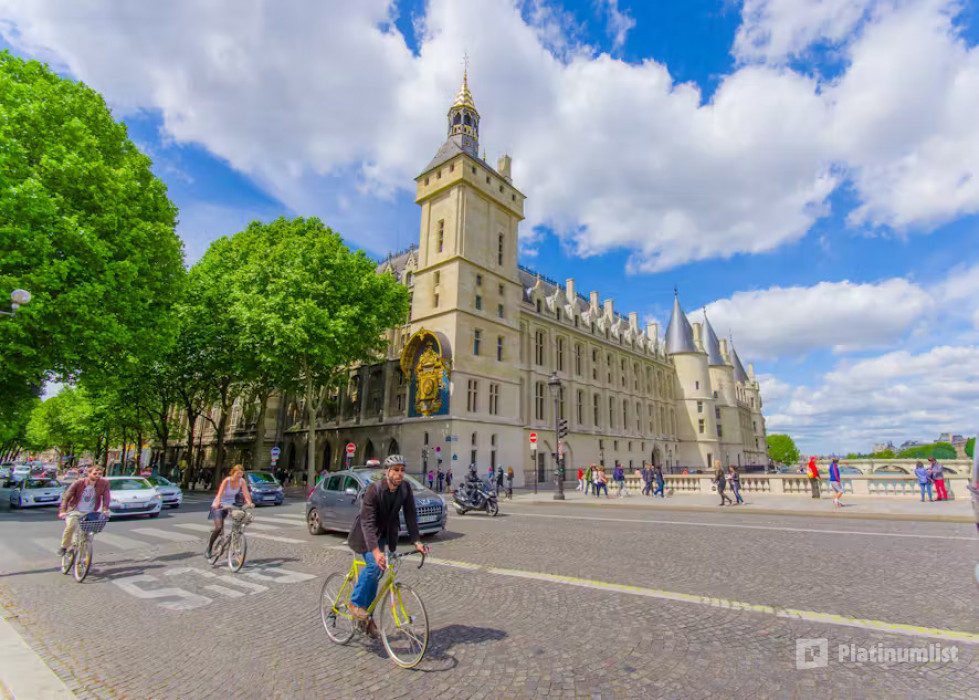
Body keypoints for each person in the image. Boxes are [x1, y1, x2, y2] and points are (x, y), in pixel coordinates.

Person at [347, 455, 428, 631]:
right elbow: (367, 523)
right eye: (396, 470)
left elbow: (411, 514)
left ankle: (367, 617)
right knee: (374, 567)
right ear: (387, 472)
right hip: (365, 535)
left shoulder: (405, 488)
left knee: (377, 573)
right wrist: (376, 552)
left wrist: (416, 541)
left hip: (385, 535)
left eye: (402, 470)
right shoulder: (373, 490)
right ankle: (355, 604)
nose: (400, 474)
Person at [58, 465, 111, 555]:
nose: (97, 475)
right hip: (75, 510)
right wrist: (63, 511)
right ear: (89, 473)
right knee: (71, 526)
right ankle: (64, 547)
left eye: (99, 474)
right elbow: (66, 497)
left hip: (91, 512)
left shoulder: (104, 483)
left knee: (86, 536)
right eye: (95, 473)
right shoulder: (78, 483)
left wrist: (105, 509)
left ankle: (81, 559)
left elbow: (106, 496)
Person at [207, 465, 254, 557]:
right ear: (233, 472)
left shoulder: (242, 481)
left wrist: (249, 502)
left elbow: (246, 493)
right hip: (219, 505)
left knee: (239, 518)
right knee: (219, 527)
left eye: (241, 474)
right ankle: (209, 548)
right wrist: (218, 504)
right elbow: (219, 493)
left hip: (231, 505)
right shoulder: (227, 481)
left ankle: (235, 541)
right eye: (238, 473)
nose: (239, 476)